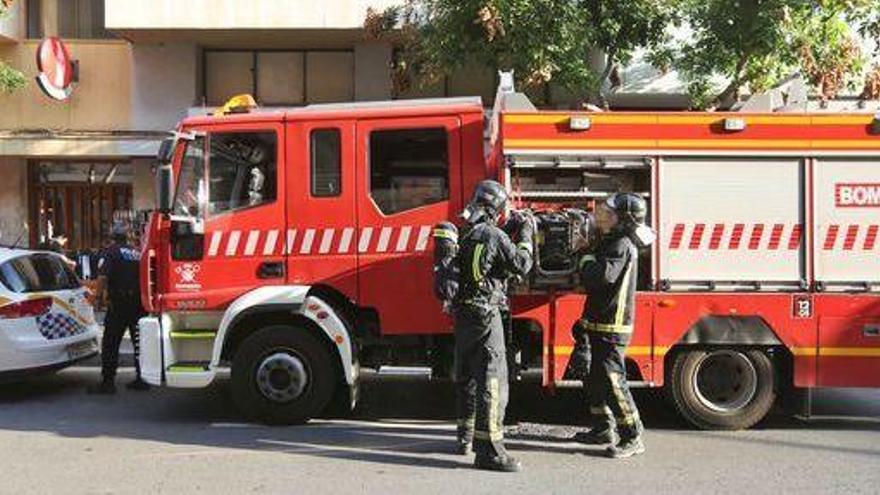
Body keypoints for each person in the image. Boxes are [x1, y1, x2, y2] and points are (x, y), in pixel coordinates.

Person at [452, 180, 533, 472]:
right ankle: (491, 451)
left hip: (464, 316)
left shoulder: (465, 232)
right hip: (487, 316)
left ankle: (465, 437)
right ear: (496, 208)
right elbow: (521, 264)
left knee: (468, 378)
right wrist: (525, 234)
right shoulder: (495, 235)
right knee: (492, 380)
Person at [571, 193, 648, 458]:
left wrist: (583, 255)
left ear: (624, 220)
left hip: (612, 325)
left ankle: (632, 435)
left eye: (611, 214)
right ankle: (603, 428)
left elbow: (599, 277)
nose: (604, 216)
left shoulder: (621, 244)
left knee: (613, 379)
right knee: (593, 377)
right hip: (599, 320)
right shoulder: (612, 241)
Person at [87, 222, 149, 394]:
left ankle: (108, 382)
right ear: (127, 236)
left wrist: (98, 298)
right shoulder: (137, 253)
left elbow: (102, 277)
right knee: (139, 341)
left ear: (112, 237)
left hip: (119, 304)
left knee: (110, 343)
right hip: (138, 303)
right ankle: (141, 378)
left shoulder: (111, 252)